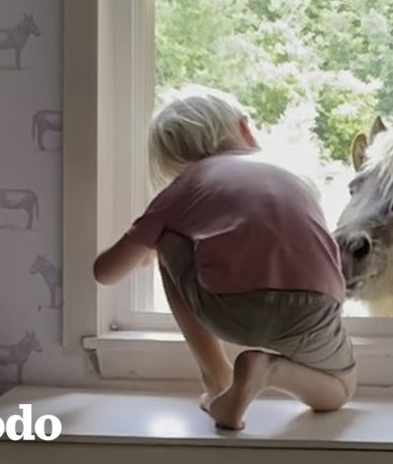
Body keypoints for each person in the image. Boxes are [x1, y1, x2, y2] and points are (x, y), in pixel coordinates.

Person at [93, 85, 356, 430]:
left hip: (233, 311)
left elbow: (106, 273)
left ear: (172, 160)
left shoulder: (184, 188)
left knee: (169, 238)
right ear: (245, 128)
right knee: (340, 389)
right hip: (314, 308)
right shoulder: (292, 177)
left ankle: (218, 380)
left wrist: (153, 245)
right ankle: (270, 370)